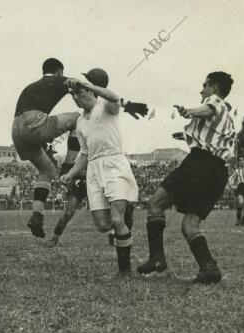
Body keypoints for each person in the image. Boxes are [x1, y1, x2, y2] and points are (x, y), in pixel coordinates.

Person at [12, 58, 148, 238]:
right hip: (35, 124)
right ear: (60, 71)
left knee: (47, 171)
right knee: (77, 119)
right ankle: (69, 164)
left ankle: (37, 214)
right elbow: (87, 87)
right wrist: (128, 104)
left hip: (16, 131)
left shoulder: (31, 86)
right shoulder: (62, 80)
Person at [137, 71, 235, 284]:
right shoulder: (227, 115)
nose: (202, 90)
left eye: (205, 85)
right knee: (189, 225)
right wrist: (187, 135)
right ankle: (209, 268)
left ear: (215, 88)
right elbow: (214, 134)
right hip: (218, 172)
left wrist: (187, 111)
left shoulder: (215, 101)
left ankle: (156, 259)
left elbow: (209, 108)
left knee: (155, 203)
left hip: (200, 164)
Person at [60, 68, 138, 274]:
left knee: (116, 220)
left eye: (79, 92)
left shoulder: (106, 106)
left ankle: (124, 271)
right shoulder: (80, 121)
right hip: (94, 169)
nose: (76, 97)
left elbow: (113, 96)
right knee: (103, 225)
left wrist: (86, 84)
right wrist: (70, 173)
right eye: (73, 94)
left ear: (91, 90)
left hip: (113, 164)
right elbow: (84, 153)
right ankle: (126, 211)